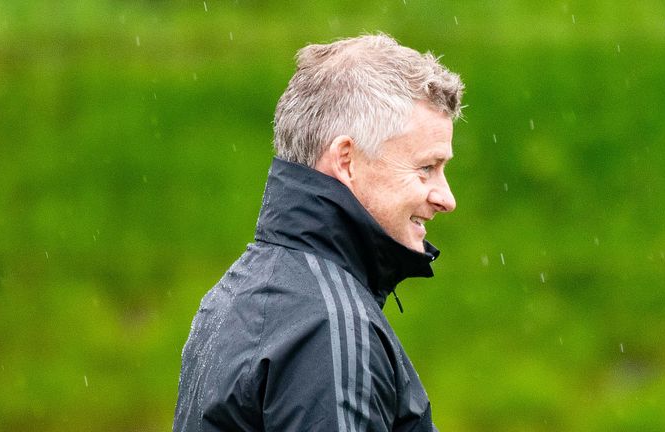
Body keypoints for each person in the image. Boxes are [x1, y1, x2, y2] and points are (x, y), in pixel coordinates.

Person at [173, 33, 464, 432]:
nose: (446, 198)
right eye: (426, 168)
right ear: (346, 159)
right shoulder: (331, 329)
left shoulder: (237, 293)